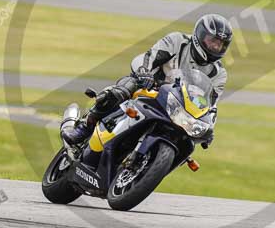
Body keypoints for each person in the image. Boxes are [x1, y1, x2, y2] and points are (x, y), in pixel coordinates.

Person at [61, 13, 232, 149]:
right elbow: (148, 58)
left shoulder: (219, 73)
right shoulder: (177, 41)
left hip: (179, 107)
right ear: (200, 35)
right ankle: (85, 127)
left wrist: (209, 127)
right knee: (121, 90)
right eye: (213, 41)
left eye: (221, 44)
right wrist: (144, 72)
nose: (216, 47)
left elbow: (211, 105)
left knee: (187, 143)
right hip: (151, 89)